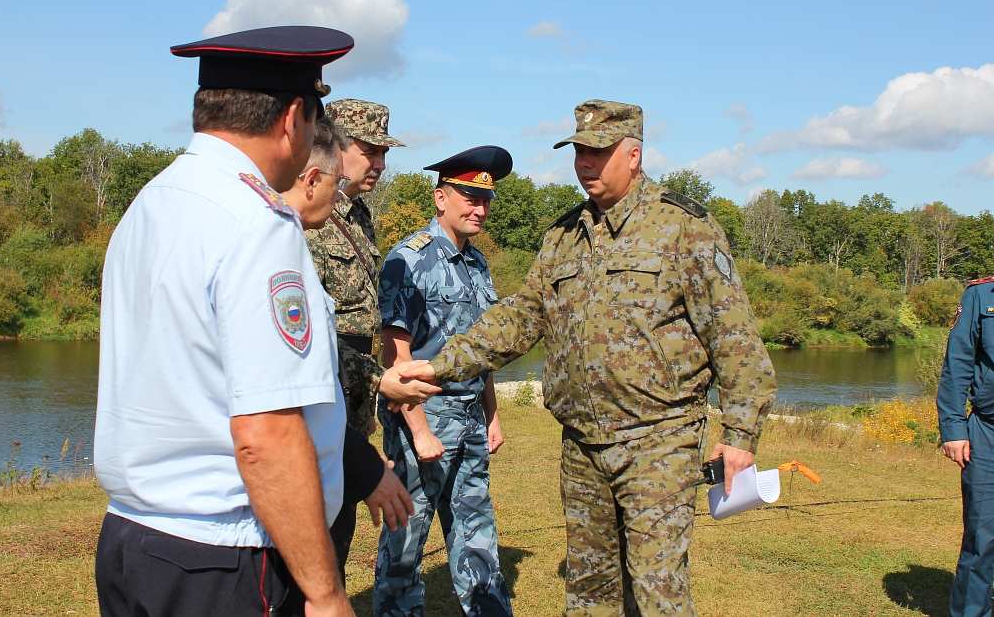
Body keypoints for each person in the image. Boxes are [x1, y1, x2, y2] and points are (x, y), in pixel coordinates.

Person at [94, 26, 434, 617]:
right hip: (220, 557)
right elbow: (266, 434)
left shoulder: (153, 201)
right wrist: (327, 594)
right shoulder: (257, 223)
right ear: (293, 118)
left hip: (131, 539)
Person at [394, 101, 777, 616]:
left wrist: (740, 434)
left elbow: (735, 339)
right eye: (578, 152)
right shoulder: (564, 235)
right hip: (582, 444)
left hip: (657, 440)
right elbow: (520, 317)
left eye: (598, 152)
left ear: (634, 155)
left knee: (657, 589)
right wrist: (442, 363)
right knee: (589, 589)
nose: (585, 164)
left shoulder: (683, 227)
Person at [373, 146, 515, 617]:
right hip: (424, 417)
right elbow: (397, 356)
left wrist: (492, 414)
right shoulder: (408, 260)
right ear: (441, 198)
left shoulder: (477, 264)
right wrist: (420, 432)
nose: (480, 208)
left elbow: (485, 349)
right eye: (470, 197)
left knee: (477, 530)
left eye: (486, 199)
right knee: (406, 540)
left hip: (470, 419)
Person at [279, 114, 418, 583]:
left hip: (351, 390)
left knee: (339, 518)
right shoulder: (303, 209)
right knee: (310, 520)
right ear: (336, 146)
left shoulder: (361, 214)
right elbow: (303, 327)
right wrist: (382, 378)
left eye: (385, 153)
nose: (379, 162)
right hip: (319, 381)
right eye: (369, 150)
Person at [938, 275, 994, 617]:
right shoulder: (981, 295)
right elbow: (957, 364)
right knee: (981, 537)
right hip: (988, 432)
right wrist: (954, 428)